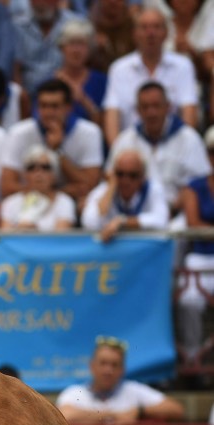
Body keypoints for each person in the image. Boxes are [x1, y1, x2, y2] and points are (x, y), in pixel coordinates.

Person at [105, 80, 210, 218]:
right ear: (137, 110)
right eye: (145, 107)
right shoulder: (125, 139)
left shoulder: (189, 138)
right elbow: (111, 177)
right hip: (132, 214)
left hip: (179, 214)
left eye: (156, 106)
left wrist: (171, 211)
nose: (151, 112)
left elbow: (201, 184)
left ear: (168, 107)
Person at [0, 77, 103, 207]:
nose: (48, 113)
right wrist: (48, 195)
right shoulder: (18, 133)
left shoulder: (90, 132)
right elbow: (7, 186)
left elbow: (90, 185)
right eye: (43, 106)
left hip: (72, 205)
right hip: (28, 204)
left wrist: (58, 151)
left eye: (54, 106)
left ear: (68, 107)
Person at [102, 7, 198, 146]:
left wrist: (182, 150)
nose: (150, 33)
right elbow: (112, 117)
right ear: (134, 33)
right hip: (131, 149)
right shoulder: (119, 69)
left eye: (156, 27)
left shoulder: (183, 66)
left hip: (173, 146)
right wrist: (119, 153)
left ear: (166, 33)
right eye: (144, 27)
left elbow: (189, 115)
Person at [55, 336, 185, 425]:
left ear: (122, 369)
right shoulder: (74, 392)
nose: (108, 370)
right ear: (92, 366)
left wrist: (139, 411)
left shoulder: (133, 390)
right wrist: (112, 415)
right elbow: (64, 415)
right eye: (103, 363)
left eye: (114, 365)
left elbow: (176, 410)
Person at [175, 125, 214, 368]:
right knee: (188, 300)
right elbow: (193, 223)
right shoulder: (194, 186)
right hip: (201, 256)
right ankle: (192, 356)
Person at [81, 147, 169, 240]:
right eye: (120, 174)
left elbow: (161, 220)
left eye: (133, 175)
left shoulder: (153, 189)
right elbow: (89, 222)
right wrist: (110, 188)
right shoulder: (104, 189)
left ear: (143, 177)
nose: (125, 181)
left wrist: (123, 222)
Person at [12, 0, 81, 100]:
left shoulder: (75, 22)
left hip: (65, 92)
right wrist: (20, 93)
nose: (40, 3)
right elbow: (15, 66)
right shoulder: (18, 25)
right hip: (29, 94)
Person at [0, 145, 76, 231]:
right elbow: (5, 237)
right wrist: (20, 230)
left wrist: (34, 231)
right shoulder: (10, 203)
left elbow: (61, 238)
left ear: (54, 175)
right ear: (25, 174)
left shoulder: (64, 202)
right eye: (31, 168)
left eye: (45, 167)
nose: (38, 173)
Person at [54, 18, 107, 127]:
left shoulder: (102, 81)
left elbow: (105, 124)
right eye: (72, 43)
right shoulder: (51, 82)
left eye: (81, 44)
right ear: (62, 48)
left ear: (90, 49)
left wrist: (83, 100)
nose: (76, 50)